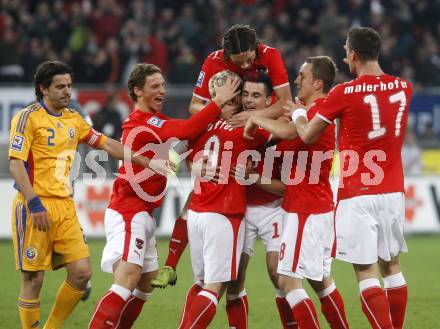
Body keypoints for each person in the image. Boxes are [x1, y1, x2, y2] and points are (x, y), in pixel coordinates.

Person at [9, 60, 167, 329]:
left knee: (82, 274)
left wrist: (146, 161)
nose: (67, 92)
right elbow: (15, 164)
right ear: (43, 88)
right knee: (33, 279)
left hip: (65, 206)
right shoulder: (27, 117)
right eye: (60, 87)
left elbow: (106, 144)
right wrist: (34, 203)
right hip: (34, 205)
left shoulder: (73, 119)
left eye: (69, 86)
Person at [88, 64, 240, 329]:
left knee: (145, 285)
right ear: (137, 90)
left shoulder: (155, 123)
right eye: (155, 86)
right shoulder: (143, 122)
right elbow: (187, 130)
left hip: (143, 213)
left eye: (163, 85)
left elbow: (179, 143)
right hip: (128, 212)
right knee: (126, 280)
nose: (162, 91)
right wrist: (217, 102)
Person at [288, 27, 412, 329]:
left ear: (353, 54)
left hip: (358, 194)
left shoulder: (343, 92)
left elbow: (306, 137)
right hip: (393, 190)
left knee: (366, 271)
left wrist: (297, 113)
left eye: (346, 50)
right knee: (392, 266)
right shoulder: (404, 87)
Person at [153, 23, 293, 289]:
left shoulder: (270, 55)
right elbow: (195, 106)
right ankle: (170, 264)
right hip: (229, 126)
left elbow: (285, 103)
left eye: (251, 58)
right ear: (227, 57)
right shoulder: (213, 61)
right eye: (240, 62)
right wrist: (220, 112)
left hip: (261, 125)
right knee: (198, 193)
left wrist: (253, 116)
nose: (248, 63)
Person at [244, 56, 349, 329]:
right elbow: (289, 133)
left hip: (306, 208)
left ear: (317, 82)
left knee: (288, 281)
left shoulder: (317, 112)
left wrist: (257, 117)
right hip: (315, 206)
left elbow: (297, 134)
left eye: (302, 76)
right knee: (320, 282)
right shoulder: (314, 112)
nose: (296, 80)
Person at [178, 71, 272, 329]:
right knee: (215, 287)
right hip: (224, 213)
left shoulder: (203, 125)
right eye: (243, 95)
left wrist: (192, 164)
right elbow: (281, 133)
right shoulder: (247, 130)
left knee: (200, 284)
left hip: (196, 212)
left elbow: (185, 154)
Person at [224, 73, 295, 329]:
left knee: (278, 273)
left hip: (273, 209)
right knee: (233, 278)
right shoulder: (232, 126)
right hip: (238, 209)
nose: (249, 101)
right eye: (245, 94)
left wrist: (253, 177)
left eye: (256, 95)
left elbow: (287, 189)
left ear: (269, 100)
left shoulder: (284, 130)